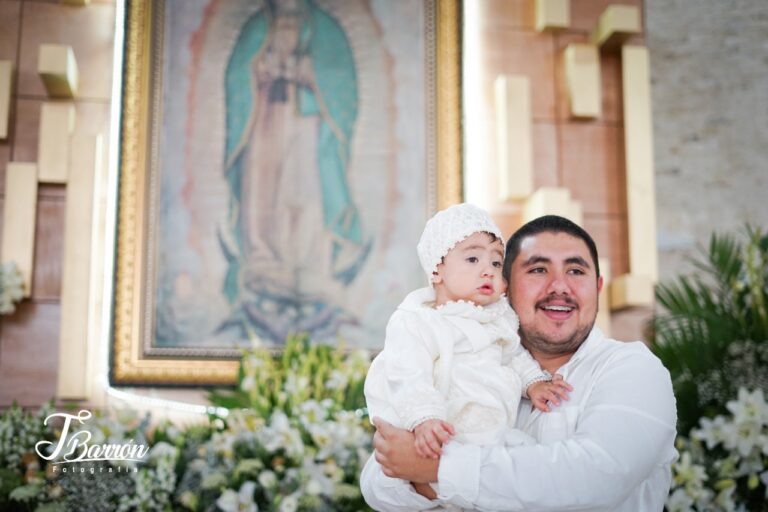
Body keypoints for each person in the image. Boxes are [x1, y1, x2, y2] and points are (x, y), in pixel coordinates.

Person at [361, 214, 678, 511]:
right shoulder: (460, 356)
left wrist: (435, 470)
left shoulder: (632, 368)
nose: (559, 286)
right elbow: (379, 477)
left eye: (576, 271)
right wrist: (414, 465)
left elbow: (598, 476)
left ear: (597, 287)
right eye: (538, 270)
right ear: (504, 287)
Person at [364, 204, 573, 498]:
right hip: (443, 428)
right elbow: (407, 374)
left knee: (515, 472)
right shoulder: (418, 320)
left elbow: (513, 354)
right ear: (437, 269)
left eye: (497, 263)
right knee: (434, 483)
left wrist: (533, 383)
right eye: (473, 258)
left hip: (490, 433)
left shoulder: (498, 317)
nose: (488, 270)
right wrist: (424, 418)